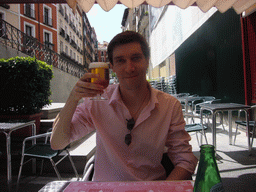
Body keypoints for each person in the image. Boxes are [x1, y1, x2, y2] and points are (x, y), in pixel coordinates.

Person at [50, 31, 198, 181]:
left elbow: (185, 160)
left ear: (147, 60)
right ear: (112, 67)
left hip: (150, 188)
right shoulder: (96, 103)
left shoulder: (169, 106)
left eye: (136, 58)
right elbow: (57, 143)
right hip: (105, 189)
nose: (129, 68)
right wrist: (72, 99)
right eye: (121, 61)